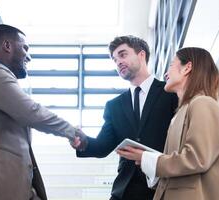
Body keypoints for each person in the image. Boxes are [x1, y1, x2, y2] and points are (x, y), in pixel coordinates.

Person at [0, 24, 83, 200]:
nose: (28, 56)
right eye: (25, 48)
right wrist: (72, 132)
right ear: (7, 46)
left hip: (11, 187)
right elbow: (32, 112)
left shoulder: (1, 84)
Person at [75, 35, 178, 200]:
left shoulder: (170, 93)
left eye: (123, 55)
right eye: (115, 60)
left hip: (162, 187)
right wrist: (82, 142)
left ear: (141, 55)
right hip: (125, 190)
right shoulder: (114, 106)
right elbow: (103, 146)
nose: (118, 62)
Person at [117, 47, 219, 200]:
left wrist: (147, 158)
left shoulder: (203, 103)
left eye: (171, 65)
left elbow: (197, 159)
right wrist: (145, 160)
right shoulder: (180, 113)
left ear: (187, 68)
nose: (166, 73)